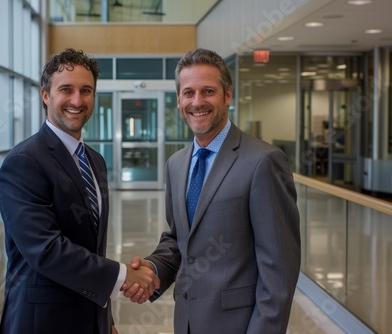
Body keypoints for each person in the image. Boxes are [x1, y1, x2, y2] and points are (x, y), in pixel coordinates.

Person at [123, 48, 301, 333]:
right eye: (188, 93)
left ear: (227, 95)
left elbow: (279, 269)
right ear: (179, 99)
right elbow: (180, 239)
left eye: (208, 91)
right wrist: (154, 270)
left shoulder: (263, 161)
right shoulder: (176, 164)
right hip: (188, 321)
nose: (197, 102)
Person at [0, 48, 159, 334]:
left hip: (88, 317)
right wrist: (124, 275)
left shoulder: (94, 161)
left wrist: (104, 321)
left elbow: (90, 247)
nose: (77, 100)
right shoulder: (24, 161)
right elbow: (46, 250)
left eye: (86, 90)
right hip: (41, 322)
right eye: (66, 90)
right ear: (45, 95)